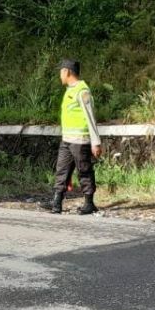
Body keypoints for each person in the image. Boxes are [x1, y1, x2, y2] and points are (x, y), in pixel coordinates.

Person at [49, 59, 102, 216]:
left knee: (84, 171)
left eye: (61, 72)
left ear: (67, 72)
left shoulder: (82, 91)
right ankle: (57, 202)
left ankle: (89, 203)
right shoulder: (69, 90)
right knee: (61, 170)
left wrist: (96, 142)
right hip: (67, 139)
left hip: (80, 140)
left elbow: (90, 117)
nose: (60, 76)